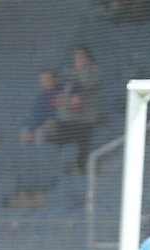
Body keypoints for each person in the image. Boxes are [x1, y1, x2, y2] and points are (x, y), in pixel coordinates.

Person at [48, 46, 101, 174]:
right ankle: (58, 168)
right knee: (53, 134)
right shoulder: (69, 71)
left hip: (85, 118)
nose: (78, 59)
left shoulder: (94, 71)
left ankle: (81, 168)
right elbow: (62, 87)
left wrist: (81, 69)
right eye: (76, 56)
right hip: (67, 117)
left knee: (83, 142)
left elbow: (88, 84)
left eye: (81, 56)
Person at [20, 70, 59, 145]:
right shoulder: (41, 99)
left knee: (40, 133)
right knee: (24, 132)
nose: (44, 82)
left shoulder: (59, 94)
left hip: (57, 126)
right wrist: (30, 130)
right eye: (42, 80)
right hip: (42, 126)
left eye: (47, 80)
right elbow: (35, 116)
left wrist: (50, 121)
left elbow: (60, 114)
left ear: (54, 80)